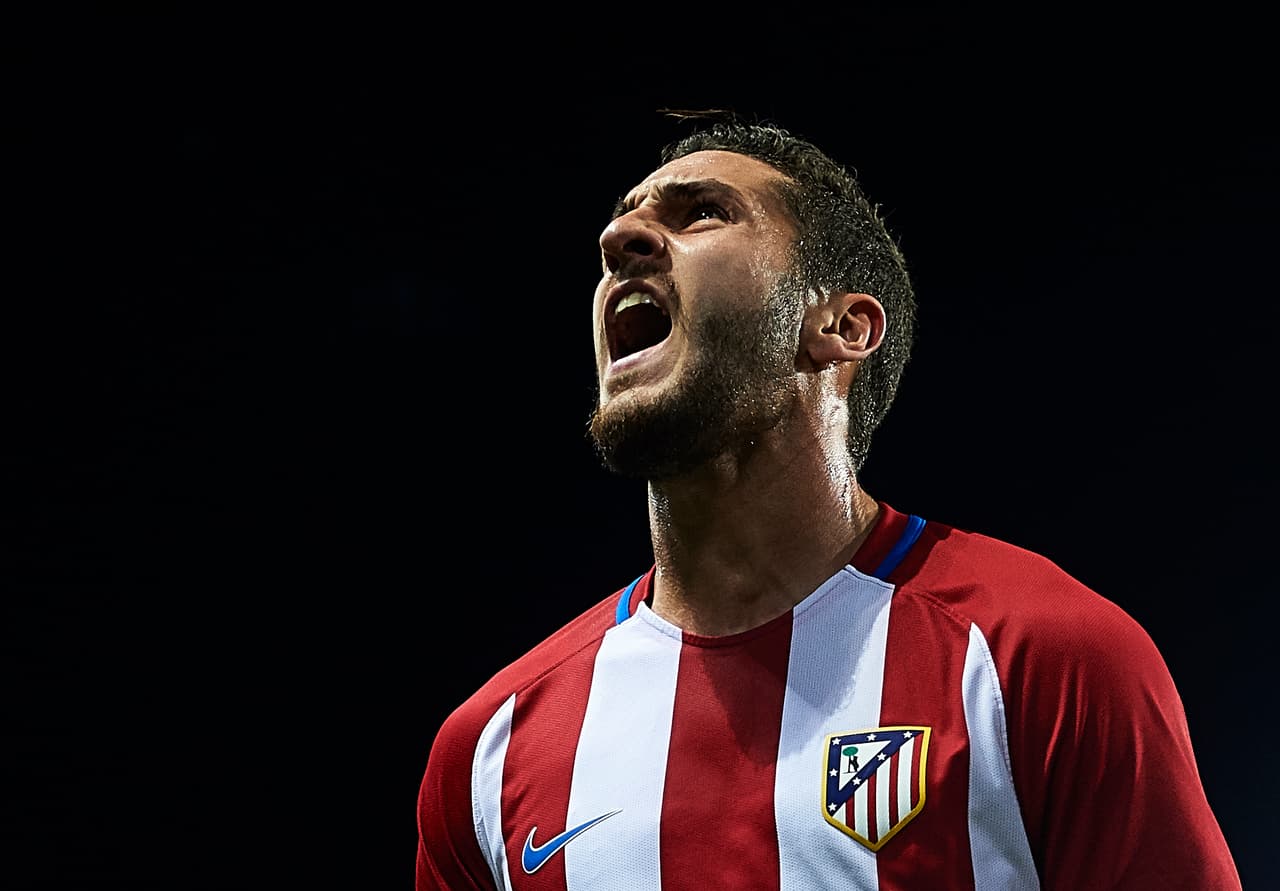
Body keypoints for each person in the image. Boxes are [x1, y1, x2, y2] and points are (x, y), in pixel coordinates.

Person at [415, 112, 1241, 890]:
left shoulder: (1040, 654)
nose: (618, 238)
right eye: (625, 221)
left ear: (842, 327)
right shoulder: (493, 744)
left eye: (701, 213)